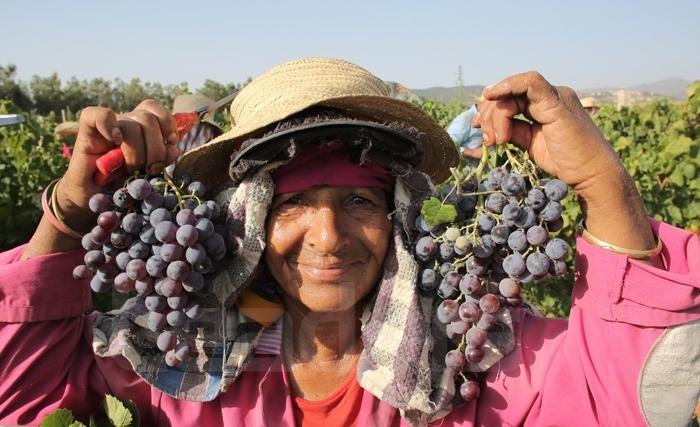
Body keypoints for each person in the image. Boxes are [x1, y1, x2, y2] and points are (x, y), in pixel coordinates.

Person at [1, 58, 698, 427]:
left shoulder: (474, 362)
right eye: (295, 203)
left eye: (359, 200)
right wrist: (65, 213)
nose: (328, 237)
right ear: (249, 219)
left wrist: (604, 184)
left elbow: (639, 396)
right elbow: (20, 398)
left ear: (398, 212)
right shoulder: (181, 366)